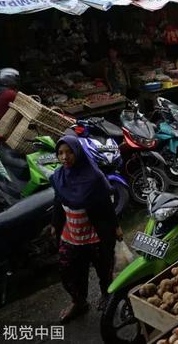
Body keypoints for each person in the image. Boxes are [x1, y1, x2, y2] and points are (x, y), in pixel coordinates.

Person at [49, 136, 122, 323]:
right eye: (60, 153)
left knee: (104, 269)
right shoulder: (59, 176)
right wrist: (55, 225)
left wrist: (115, 226)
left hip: (95, 234)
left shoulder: (94, 177)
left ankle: (108, 296)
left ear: (78, 152)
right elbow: (58, 202)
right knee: (68, 271)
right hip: (70, 234)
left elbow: (106, 205)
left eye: (69, 152)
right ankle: (79, 302)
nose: (65, 157)